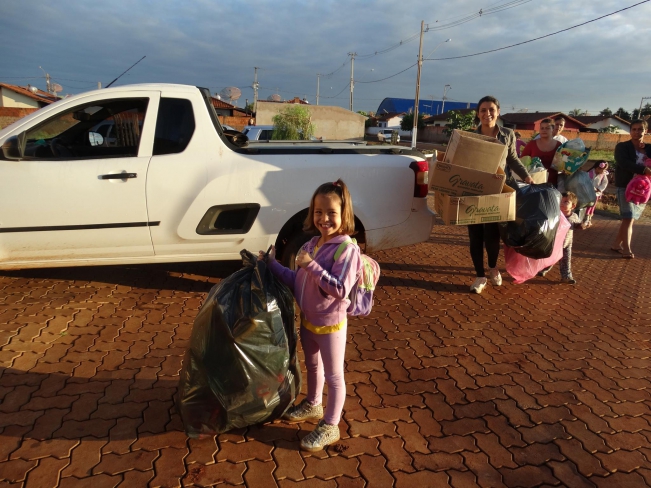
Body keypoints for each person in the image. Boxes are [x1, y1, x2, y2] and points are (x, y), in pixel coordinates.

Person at [258, 179, 361, 451]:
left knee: (335, 376)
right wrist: (271, 265)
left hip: (330, 326)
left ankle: (330, 425)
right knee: (313, 367)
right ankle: (314, 404)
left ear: (344, 214)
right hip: (308, 322)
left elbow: (340, 288)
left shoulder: (347, 250)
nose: (324, 218)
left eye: (331, 213)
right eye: (318, 211)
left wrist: (313, 266)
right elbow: (296, 280)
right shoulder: (311, 244)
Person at [468, 96, 534, 294]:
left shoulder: (507, 134)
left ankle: (492, 267)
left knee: (493, 235)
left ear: (498, 112)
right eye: (483, 110)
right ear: (478, 114)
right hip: (475, 190)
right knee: (475, 236)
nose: (487, 113)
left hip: (499, 189)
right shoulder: (471, 136)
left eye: (491, 109)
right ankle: (480, 276)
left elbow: (512, 159)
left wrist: (527, 176)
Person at [610, 119, 651, 258]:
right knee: (628, 217)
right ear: (630, 131)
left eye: (640, 129)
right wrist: (644, 169)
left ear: (646, 131)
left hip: (643, 188)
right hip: (625, 186)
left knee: (630, 219)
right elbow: (623, 162)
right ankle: (627, 249)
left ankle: (616, 244)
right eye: (634, 129)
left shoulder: (649, 148)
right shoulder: (622, 147)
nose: (637, 132)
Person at [539, 191, 582, 284]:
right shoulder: (556, 214)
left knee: (566, 261)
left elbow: (578, 225)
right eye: (561, 201)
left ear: (573, 206)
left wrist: (583, 225)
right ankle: (544, 268)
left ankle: (566, 276)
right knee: (550, 257)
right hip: (554, 243)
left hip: (567, 244)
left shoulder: (574, 216)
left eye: (566, 202)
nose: (562, 203)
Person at [521, 118, 562, 187]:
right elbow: (521, 162)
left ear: (553, 129)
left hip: (552, 184)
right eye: (542, 128)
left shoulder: (559, 145)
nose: (544, 130)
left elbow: (562, 166)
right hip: (534, 183)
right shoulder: (532, 144)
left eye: (547, 128)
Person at [582, 161, 610, 228]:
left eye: (605, 170)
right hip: (588, 192)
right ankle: (585, 216)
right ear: (597, 168)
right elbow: (586, 181)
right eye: (603, 170)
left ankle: (589, 217)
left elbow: (604, 183)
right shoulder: (590, 173)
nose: (604, 171)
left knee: (592, 206)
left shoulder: (603, 176)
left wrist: (599, 189)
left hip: (596, 193)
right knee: (587, 204)